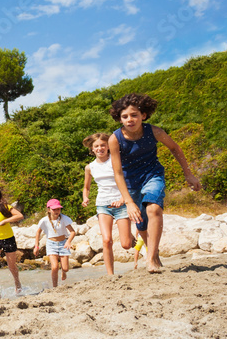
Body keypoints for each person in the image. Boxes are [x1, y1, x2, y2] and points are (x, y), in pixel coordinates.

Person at [107, 93, 201, 273]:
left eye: (134, 115)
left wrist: (188, 174)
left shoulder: (154, 131)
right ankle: (154, 254)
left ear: (143, 115)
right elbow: (117, 172)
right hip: (131, 183)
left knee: (154, 209)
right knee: (141, 223)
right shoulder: (115, 139)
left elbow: (175, 148)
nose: (130, 119)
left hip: (153, 175)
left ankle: (150, 260)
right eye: (125, 116)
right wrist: (128, 201)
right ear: (119, 119)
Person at [81, 132, 136, 275]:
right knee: (106, 240)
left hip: (121, 203)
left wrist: (123, 199)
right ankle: (110, 274)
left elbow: (128, 181)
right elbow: (86, 187)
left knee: (126, 245)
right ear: (92, 149)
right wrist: (85, 198)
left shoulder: (116, 160)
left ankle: (130, 236)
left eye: (103, 145)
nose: (100, 148)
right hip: (103, 205)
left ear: (108, 147)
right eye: (96, 146)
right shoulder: (90, 167)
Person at [33, 199, 76, 287]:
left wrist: (68, 242)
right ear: (49, 209)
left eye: (58, 209)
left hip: (63, 243)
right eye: (54, 209)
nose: (57, 211)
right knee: (55, 267)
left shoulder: (64, 219)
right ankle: (55, 286)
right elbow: (38, 232)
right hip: (51, 244)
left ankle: (63, 272)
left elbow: (73, 232)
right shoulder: (44, 220)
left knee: (66, 268)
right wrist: (36, 246)